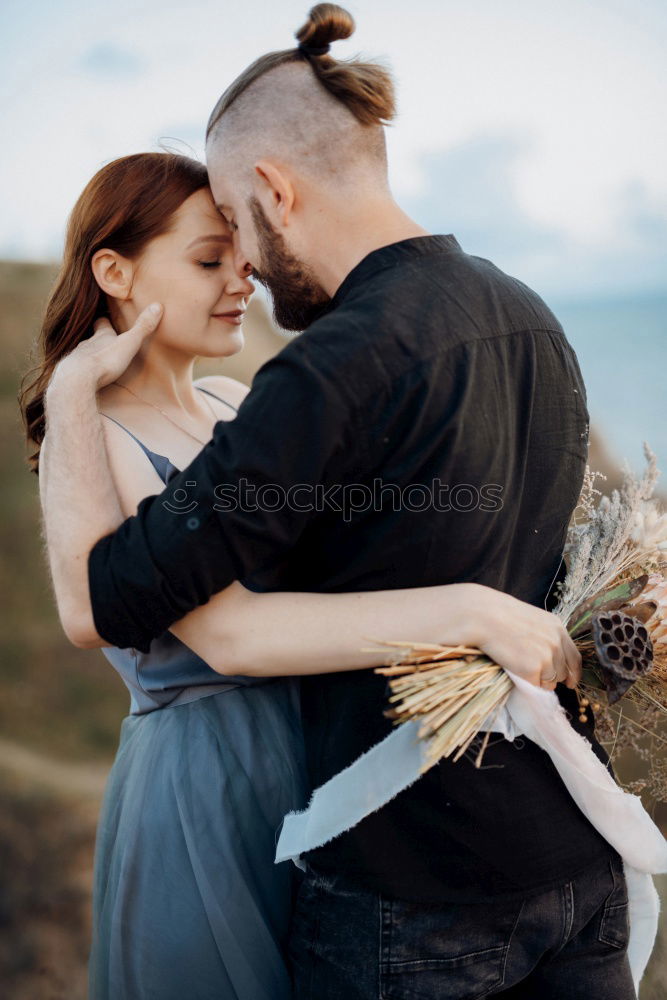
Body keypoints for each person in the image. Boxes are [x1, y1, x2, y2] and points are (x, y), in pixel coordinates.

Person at [37, 4, 635, 999]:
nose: (246, 272)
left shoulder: (323, 371)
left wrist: (477, 611)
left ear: (271, 189)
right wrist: (70, 390)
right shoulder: (532, 315)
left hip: (411, 864)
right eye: (210, 254)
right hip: (557, 842)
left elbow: (123, 590)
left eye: (237, 232)